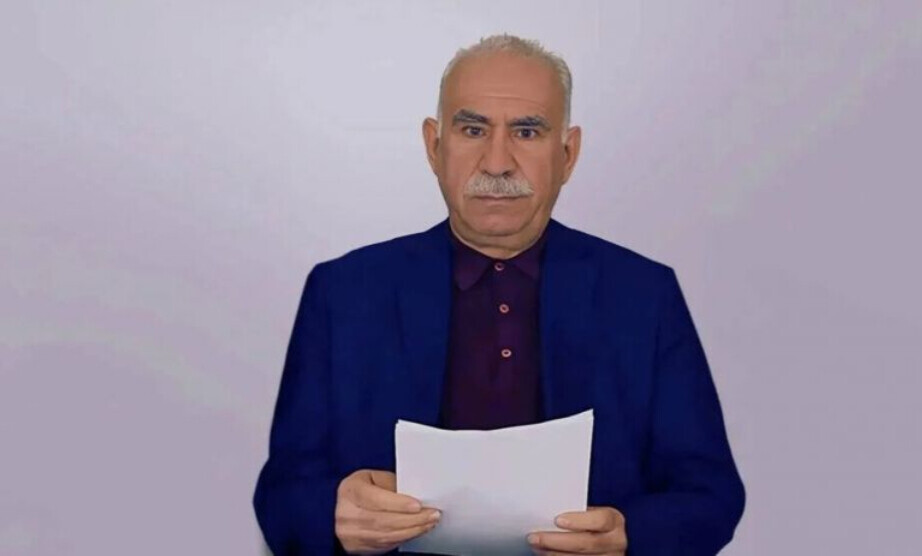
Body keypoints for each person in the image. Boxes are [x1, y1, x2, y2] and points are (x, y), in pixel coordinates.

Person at [253, 34, 745, 555]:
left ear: (568, 154)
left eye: (527, 132)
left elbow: (710, 495)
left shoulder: (644, 295)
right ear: (434, 146)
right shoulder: (343, 292)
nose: (496, 163)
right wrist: (334, 515)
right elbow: (282, 493)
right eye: (472, 130)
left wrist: (628, 536)